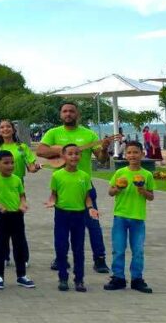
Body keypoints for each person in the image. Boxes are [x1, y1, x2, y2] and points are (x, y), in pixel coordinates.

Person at [36, 102, 116, 275]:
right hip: (62, 188)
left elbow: (102, 160)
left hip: (85, 187)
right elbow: (40, 151)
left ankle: (99, 259)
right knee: (62, 227)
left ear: (77, 114)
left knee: (93, 224)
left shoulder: (89, 134)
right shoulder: (53, 133)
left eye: (71, 111)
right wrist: (61, 150)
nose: (68, 114)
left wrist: (104, 149)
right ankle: (61, 258)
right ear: (60, 114)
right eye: (65, 111)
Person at [46, 144, 99, 292]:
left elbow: (87, 197)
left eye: (76, 153)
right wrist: (51, 201)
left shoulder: (84, 176)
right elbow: (54, 194)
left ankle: (79, 279)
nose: (74, 156)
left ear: (80, 156)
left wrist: (91, 208)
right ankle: (63, 278)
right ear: (63, 156)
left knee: (78, 248)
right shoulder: (57, 175)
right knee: (61, 247)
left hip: (79, 216)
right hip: (62, 215)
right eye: (70, 154)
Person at [104, 141, 155, 293]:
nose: (132, 155)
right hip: (120, 216)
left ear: (142, 154)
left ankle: (137, 279)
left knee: (138, 250)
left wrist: (143, 191)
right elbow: (110, 192)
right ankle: (118, 277)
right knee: (118, 249)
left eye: (136, 152)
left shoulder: (147, 175)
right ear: (125, 155)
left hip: (138, 217)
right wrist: (118, 188)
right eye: (129, 152)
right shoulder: (120, 173)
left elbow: (151, 196)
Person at [0, 150, 34, 290]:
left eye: (12, 163)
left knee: (19, 245)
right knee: (1, 245)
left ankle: (21, 275)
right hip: (1, 216)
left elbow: (22, 195)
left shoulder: (16, 179)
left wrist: (23, 204)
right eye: (6, 163)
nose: (10, 166)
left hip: (17, 215)